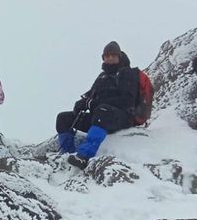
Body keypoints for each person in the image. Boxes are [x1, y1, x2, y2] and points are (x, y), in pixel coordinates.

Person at [55, 41, 138, 170]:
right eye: (107, 55)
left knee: (102, 109)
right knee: (63, 118)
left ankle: (84, 155)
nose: (110, 58)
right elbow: (91, 95)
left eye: (113, 55)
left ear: (119, 57)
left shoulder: (127, 73)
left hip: (122, 119)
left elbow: (127, 100)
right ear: (103, 58)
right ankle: (67, 154)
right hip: (100, 119)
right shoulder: (102, 77)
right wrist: (82, 103)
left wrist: (95, 103)